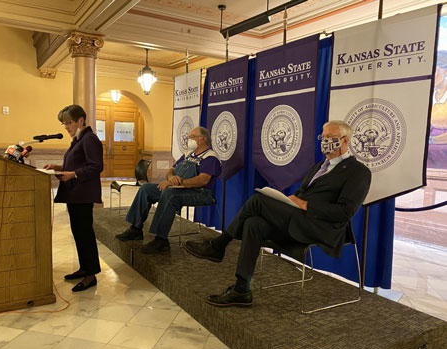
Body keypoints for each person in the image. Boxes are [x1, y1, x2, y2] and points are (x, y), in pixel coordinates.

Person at [184, 120, 371, 307]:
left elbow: (344, 212)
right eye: (323, 137)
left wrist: (306, 205)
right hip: (299, 219)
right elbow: (302, 194)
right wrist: (289, 201)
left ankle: (219, 245)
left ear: (345, 141)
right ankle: (242, 289)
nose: (325, 141)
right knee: (254, 223)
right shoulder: (319, 166)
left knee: (257, 200)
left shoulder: (359, 172)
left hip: (321, 227)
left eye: (331, 137)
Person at [116, 126, 222, 253]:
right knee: (146, 189)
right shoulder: (188, 154)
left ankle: (161, 240)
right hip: (178, 188)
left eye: (191, 137)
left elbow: (203, 180)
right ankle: (135, 229)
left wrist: (179, 183)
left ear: (202, 139)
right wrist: (171, 178)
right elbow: (171, 170)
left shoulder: (211, 157)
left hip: (201, 193)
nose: (188, 139)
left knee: (170, 194)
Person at [44, 104, 103, 292]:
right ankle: (84, 268)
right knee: (78, 233)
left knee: (85, 234)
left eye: (69, 123)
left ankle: (91, 275)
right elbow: (76, 163)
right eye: (64, 124)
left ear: (81, 120)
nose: (66, 127)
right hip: (74, 194)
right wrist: (60, 168)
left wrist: (73, 175)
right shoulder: (79, 139)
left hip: (83, 194)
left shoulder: (90, 139)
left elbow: (96, 166)